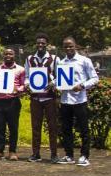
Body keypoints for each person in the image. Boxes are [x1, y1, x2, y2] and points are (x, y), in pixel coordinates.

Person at [56, 37, 99, 167]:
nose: (68, 48)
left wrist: (82, 86)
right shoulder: (61, 63)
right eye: (66, 46)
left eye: (70, 46)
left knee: (83, 129)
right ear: (63, 48)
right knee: (66, 129)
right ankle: (69, 155)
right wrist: (55, 84)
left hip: (80, 100)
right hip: (65, 100)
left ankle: (84, 156)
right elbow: (60, 80)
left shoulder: (84, 61)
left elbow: (94, 78)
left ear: (76, 46)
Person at [24, 33, 60, 163]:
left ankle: (54, 154)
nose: (40, 45)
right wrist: (27, 85)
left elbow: (59, 76)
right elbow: (27, 76)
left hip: (50, 97)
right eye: (38, 43)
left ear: (47, 45)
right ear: (36, 44)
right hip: (35, 98)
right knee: (35, 126)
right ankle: (36, 153)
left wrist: (53, 83)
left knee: (52, 127)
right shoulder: (29, 59)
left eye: (43, 43)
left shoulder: (55, 59)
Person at [0, 48, 26, 161]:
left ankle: (12, 151)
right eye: (6, 54)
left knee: (13, 127)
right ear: (3, 55)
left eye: (10, 53)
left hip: (13, 101)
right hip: (0, 100)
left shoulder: (20, 69)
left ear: (14, 55)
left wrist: (18, 89)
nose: (8, 55)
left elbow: (24, 84)